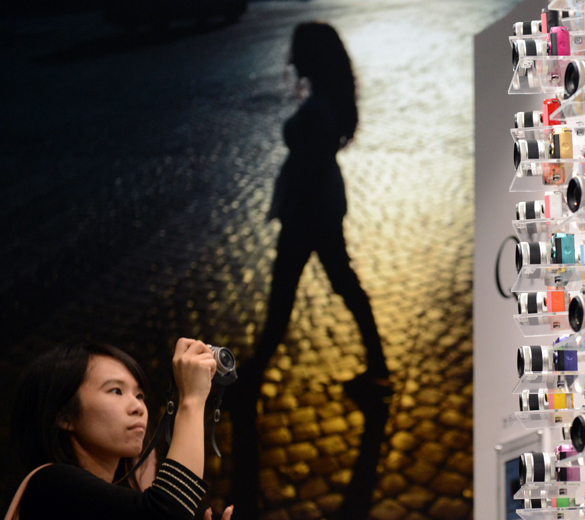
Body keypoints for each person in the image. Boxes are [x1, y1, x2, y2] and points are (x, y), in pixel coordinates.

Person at [227, 21, 392, 518]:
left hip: (309, 211)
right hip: (318, 208)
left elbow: (314, 158)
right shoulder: (332, 99)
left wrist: (296, 204)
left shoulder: (320, 109)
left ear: (311, 58)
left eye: (297, 53)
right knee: (338, 283)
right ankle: (376, 364)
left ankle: (253, 376)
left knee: (288, 295)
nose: (291, 61)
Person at [6, 339, 234, 520]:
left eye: (139, 395)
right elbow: (166, 512)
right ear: (65, 416)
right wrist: (192, 399)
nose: (138, 407)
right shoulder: (51, 484)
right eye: (116, 391)